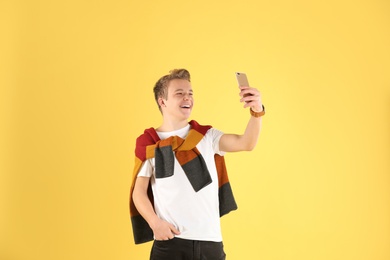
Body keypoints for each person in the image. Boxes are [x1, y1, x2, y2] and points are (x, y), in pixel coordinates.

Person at [129, 69, 264, 260]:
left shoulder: (207, 136)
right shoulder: (150, 143)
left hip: (210, 242)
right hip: (170, 242)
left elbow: (246, 143)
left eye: (190, 93)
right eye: (180, 93)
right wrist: (155, 223)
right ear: (162, 101)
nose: (188, 98)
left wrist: (257, 111)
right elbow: (139, 192)